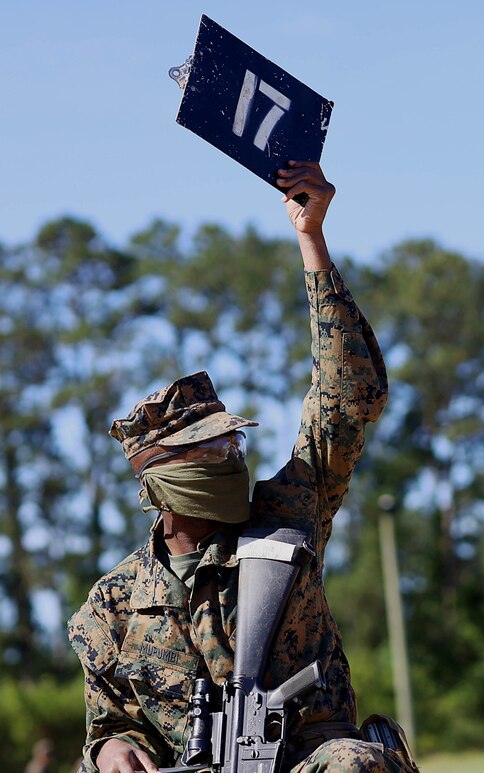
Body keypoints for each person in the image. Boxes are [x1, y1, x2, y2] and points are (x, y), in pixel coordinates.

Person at [67, 163, 408, 773]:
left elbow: (347, 400)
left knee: (354, 764)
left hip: (309, 759)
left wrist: (311, 239)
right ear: (158, 479)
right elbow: (110, 726)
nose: (228, 461)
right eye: (206, 453)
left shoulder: (284, 518)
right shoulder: (110, 609)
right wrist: (114, 751)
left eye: (230, 446)